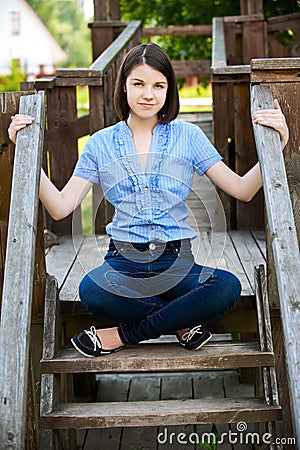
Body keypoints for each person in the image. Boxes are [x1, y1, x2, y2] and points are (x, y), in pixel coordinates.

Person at [8, 43, 289, 358]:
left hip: (178, 263)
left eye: (159, 85)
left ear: (169, 90)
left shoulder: (189, 136)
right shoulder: (100, 144)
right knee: (91, 290)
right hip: (124, 262)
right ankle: (182, 322)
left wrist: (276, 146)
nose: (148, 94)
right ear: (124, 86)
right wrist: (27, 154)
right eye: (138, 84)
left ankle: (122, 335)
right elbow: (60, 207)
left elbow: (242, 189)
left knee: (226, 287)